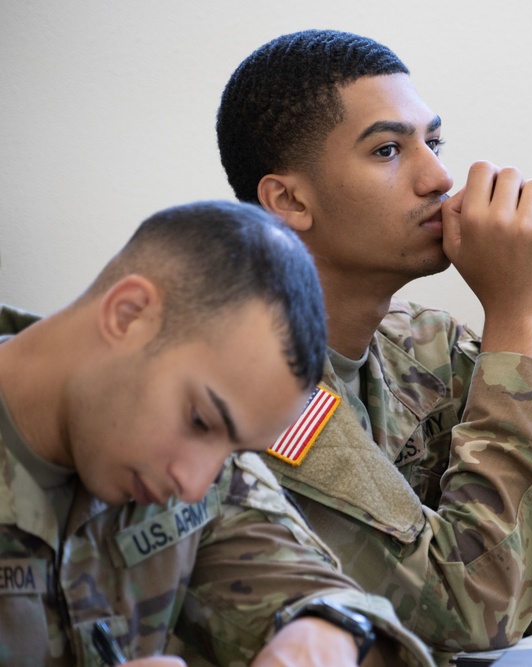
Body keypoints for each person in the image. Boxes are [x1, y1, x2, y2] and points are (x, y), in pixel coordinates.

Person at [215, 30, 532, 653]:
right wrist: (515, 313)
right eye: (387, 150)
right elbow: (462, 616)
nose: (438, 176)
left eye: (433, 141)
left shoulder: (425, 346)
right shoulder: (252, 388)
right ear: (289, 199)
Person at [0, 201, 433, 666]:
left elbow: (329, 601)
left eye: (235, 448)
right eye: (200, 421)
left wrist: (329, 633)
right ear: (127, 315)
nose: (192, 485)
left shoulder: (203, 467)